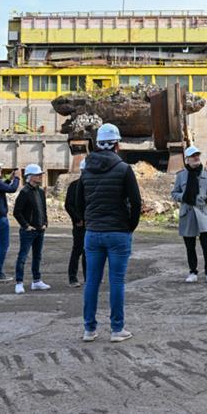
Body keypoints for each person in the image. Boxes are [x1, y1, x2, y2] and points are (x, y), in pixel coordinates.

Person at [75, 123, 142, 343]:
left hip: (93, 233)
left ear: (97, 143)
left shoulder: (86, 169)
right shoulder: (123, 169)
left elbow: (77, 201)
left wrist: (88, 222)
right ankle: (116, 329)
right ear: (117, 144)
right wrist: (129, 226)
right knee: (117, 282)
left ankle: (89, 329)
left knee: (92, 282)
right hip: (118, 233)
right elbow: (136, 202)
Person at [171, 146, 207, 284]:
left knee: (206, 244)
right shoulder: (181, 175)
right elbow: (174, 193)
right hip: (188, 212)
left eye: (197, 155)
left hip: (202, 212)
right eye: (193, 156)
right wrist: (183, 197)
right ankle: (193, 271)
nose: (196, 158)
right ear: (187, 159)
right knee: (190, 245)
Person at [12, 164, 51, 294]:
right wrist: (26, 226)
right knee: (23, 257)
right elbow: (17, 212)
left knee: (37, 256)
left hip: (40, 230)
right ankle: (19, 282)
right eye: (38, 175)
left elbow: (43, 209)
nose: (40, 176)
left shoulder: (40, 191)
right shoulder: (24, 192)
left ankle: (36, 281)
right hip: (28, 231)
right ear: (30, 177)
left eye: (40, 174)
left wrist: (45, 222)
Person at [64, 159, 87, 287]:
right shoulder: (74, 186)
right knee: (77, 250)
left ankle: (88, 277)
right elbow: (68, 205)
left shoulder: (92, 185)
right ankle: (72, 278)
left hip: (91, 224)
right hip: (79, 225)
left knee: (88, 252)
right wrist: (77, 219)